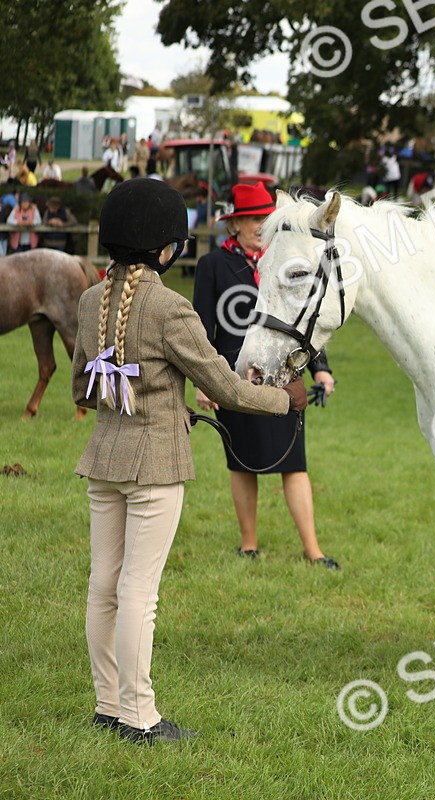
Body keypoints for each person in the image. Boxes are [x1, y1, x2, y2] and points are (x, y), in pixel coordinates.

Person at [70, 178, 309, 744]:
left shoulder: (88, 300)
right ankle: (141, 717)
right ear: (166, 249)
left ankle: (108, 705)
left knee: (103, 583)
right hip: (154, 464)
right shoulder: (169, 307)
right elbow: (225, 387)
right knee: (137, 592)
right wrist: (284, 399)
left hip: (103, 459)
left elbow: (82, 389)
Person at [192, 182, 340, 569]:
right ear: (235, 223)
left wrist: (321, 371)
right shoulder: (213, 265)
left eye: (265, 217)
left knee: (295, 463)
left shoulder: (284, 258)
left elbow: (301, 320)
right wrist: (204, 381)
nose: (261, 225)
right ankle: (248, 543)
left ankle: (314, 550)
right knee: (242, 462)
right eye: (253, 218)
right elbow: (202, 328)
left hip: (286, 375)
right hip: (237, 378)